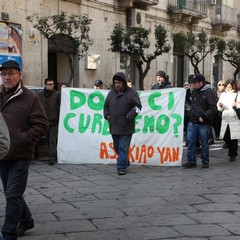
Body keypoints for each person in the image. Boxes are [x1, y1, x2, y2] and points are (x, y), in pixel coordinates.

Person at [0, 60, 48, 239]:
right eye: (4, 74)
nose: (7, 77)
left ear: (19, 75)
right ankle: (26, 220)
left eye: (11, 73)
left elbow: (42, 124)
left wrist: (22, 138)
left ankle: (8, 233)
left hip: (21, 155)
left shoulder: (30, 97)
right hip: (2, 153)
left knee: (12, 193)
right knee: (13, 192)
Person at [104, 72, 142, 175]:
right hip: (114, 126)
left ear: (124, 83)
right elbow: (106, 106)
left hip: (126, 126)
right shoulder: (111, 93)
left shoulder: (132, 93)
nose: (117, 84)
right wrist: (107, 115)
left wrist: (129, 116)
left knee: (122, 147)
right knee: (116, 147)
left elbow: (138, 107)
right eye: (115, 82)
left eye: (119, 83)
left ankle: (121, 167)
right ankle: (125, 161)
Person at [183, 73, 217, 169]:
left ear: (201, 83)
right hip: (193, 120)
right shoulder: (194, 91)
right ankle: (191, 161)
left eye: (194, 83)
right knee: (190, 141)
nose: (192, 85)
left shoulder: (208, 92)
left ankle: (205, 161)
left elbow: (213, 108)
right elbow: (190, 104)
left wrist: (204, 116)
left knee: (204, 142)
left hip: (203, 123)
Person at [37, 78, 61, 165]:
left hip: (54, 121)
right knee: (47, 139)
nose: (51, 86)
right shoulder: (40, 96)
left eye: (52, 84)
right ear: (45, 85)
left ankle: (51, 157)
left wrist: (65, 90)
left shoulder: (57, 95)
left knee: (52, 140)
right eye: (49, 84)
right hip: (44, 121)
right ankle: (51, 154)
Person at [217, 79, 240, 161]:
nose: (228, 89)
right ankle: (231, 149)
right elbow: (219, 105)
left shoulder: (237, 94)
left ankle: (232, 154)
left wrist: (237, 104)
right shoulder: (223, 94)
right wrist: (220, 105)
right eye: (227, 87)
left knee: (233, 137)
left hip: (234, 117)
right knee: (225, 136)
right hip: (225, 117)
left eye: (230, 87)